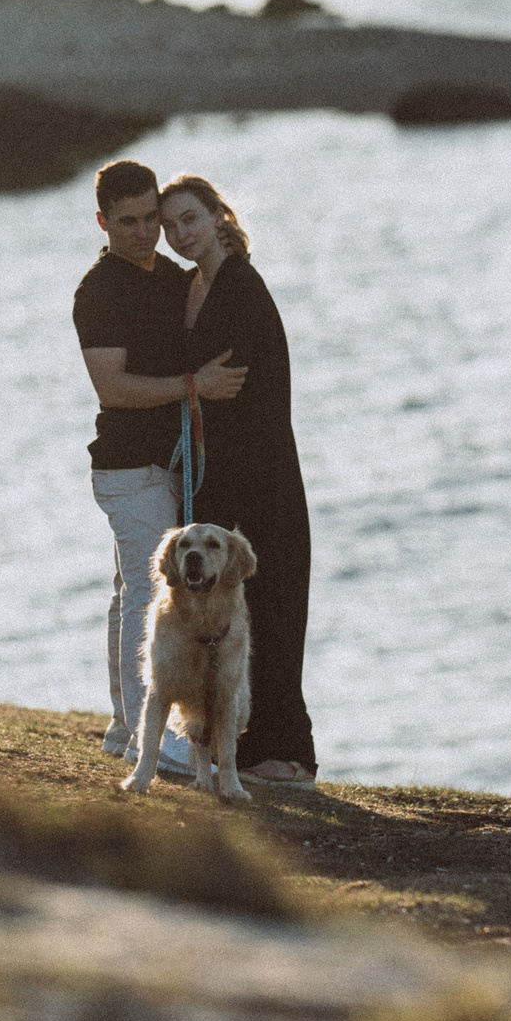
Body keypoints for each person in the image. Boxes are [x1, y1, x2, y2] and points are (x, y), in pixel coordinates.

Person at [73, 160, 247, 779]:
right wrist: (194, 386)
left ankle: (125, 727)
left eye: (152, 218)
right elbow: (112, 387)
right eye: (128, 222)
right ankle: (152, 740)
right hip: (128, 469)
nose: (145, 233)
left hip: (168, 464)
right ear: (102, 221)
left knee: (130, 592)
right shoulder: (98, 291)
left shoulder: (168, 277)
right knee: (150, 595)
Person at [160, 174, 319, 788]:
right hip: (226, 475)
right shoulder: (196, 285)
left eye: (190, 219)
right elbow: (203, 387)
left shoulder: (239, 287)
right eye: (171, 226)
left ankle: (288, 755)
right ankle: (247, 748)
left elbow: (243, 394)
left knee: (271, 611)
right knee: (238, 616)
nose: (180, 234)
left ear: (219, 215)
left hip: (263, 477)